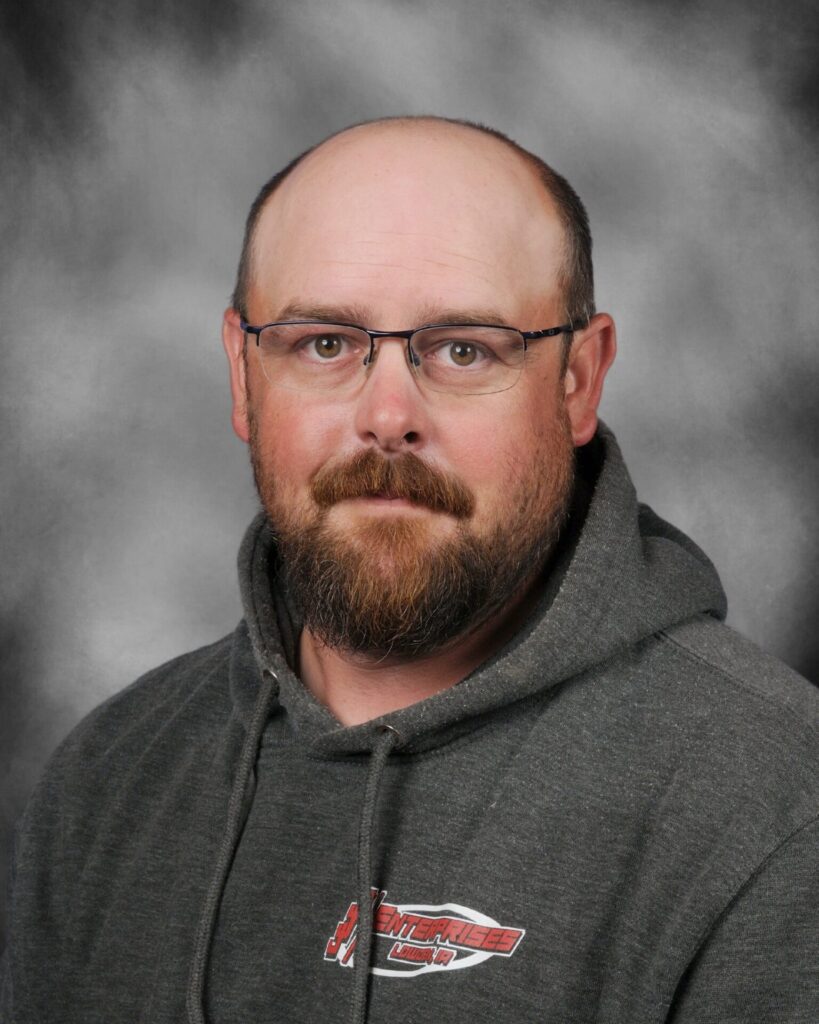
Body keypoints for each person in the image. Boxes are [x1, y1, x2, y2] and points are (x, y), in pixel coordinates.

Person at [2, 116, 817, 1024]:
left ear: (578, 380)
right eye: (324, 343)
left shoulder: (777, 806)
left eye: (464, 349)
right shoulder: (110, 778)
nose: (388, 416)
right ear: (242, 373)